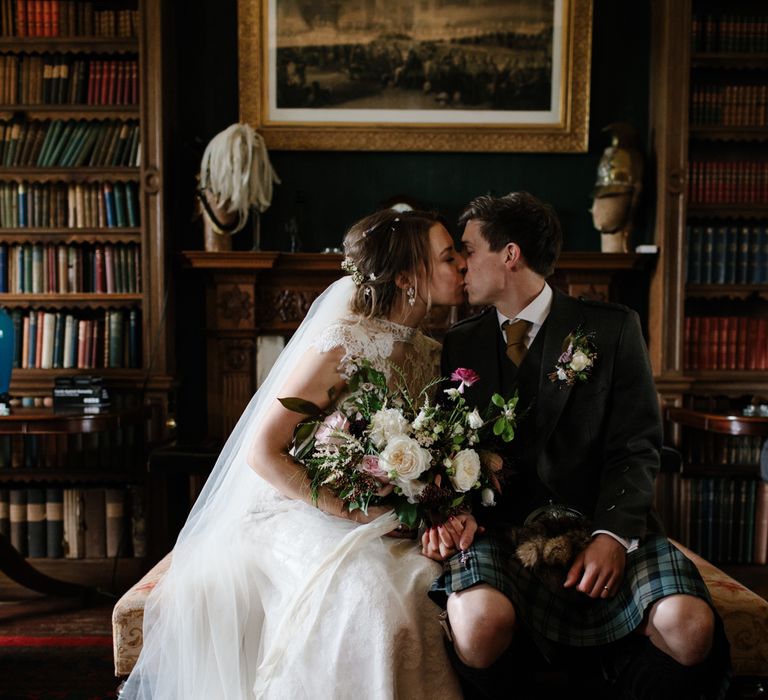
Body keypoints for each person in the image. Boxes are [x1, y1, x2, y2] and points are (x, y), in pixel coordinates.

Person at [119, 208, 467, 699]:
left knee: (423, 584)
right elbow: (262, 452)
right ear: (409, 278)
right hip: (301, 510)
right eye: (449, 257)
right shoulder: (344, 343)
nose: (462, 266)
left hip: (387, 513)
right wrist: (345, 507)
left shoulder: (433, 352)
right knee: (371, 597)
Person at [422, 192, 730, 699]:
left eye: (469, 250)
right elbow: (447, 449)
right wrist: (457, 511)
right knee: (478, 629)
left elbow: (636, 446)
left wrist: (614, 535)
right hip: (501, 533)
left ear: (510, 255)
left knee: (689, 628)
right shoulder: (460, 342)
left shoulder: (611, 328)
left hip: (598, 525)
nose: (460, 264)